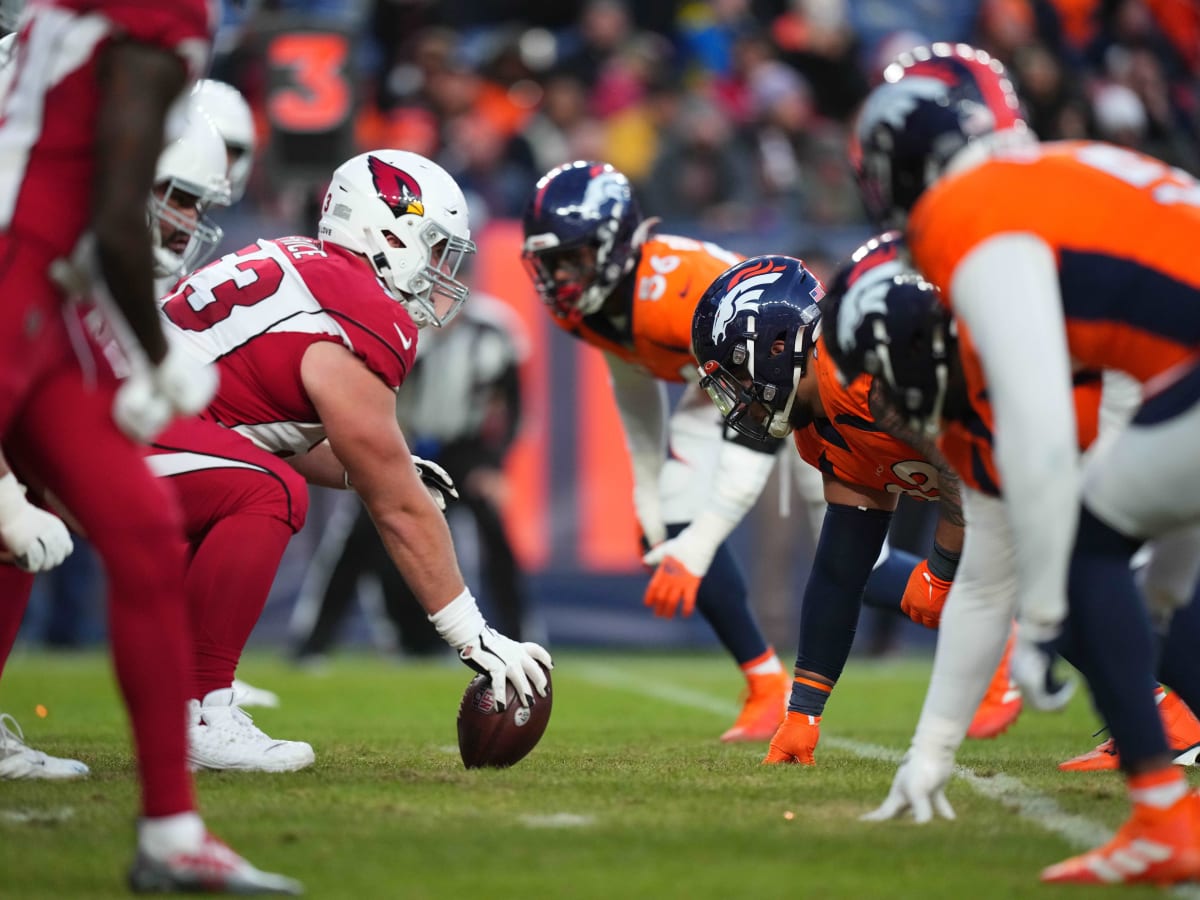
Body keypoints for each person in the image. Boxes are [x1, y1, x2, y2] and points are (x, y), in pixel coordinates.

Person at [826, 41, 1200, 884]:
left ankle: (1162, 819)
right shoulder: (1049, 190)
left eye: (883, 377)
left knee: (1088, 547)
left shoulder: (972, 215)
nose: (884, 405)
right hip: (1181, 375)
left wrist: (1042, 622)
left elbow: (1034, 433)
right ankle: (1162, 815)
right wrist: (929, 755)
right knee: (1112, 548)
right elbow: (988, 570)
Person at [0, 0, 298, 892]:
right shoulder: (159, 10)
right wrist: (158, 356)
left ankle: (171, 833)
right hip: (20, 265)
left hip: (48, 278)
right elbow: (117, 200)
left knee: (138, 530)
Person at [139, 148, 551, 772]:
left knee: (257, 480)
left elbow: (264, 427)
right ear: (389, 230)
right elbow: (396, 505)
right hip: (126, 426)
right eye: (435, 248)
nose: (441, 271)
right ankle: (201, 708)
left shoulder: (299, 262)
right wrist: (476, 637)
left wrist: (392, 470)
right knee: (268, 493)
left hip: (121, 412)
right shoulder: (360, 308)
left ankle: (182, 698)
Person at [687, 249, 1033, 768]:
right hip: (1020, 478)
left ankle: (1172, 713)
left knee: (1074, 580)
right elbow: (842, 570)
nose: (737, 399)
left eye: (736, 373)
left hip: (1064, 435)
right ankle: (1161, 713)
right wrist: (803, 713)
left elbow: (969, 466)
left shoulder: (864, 377)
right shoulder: (818, 428)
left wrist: (939, 571)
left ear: (778, 346)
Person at [521, 160, 791, 742]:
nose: (560, 277)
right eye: (550, 263)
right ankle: (766, 683)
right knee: (673, 515)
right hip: (729, 388)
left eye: (573, 258)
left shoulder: (675, 293)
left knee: (859, 559)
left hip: (805, 387)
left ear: (615, 242)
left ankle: (995, 654)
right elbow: (634, 387)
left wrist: (698, 544)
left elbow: (769, 413)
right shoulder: (593, 306)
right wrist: (647, 498)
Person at [291, 292, 535, 661]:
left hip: (466, 452)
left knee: (496, 542)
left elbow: (513, 404)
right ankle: (316, 642)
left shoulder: (494, 327)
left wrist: (494, 464)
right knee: (359, 538)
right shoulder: (400, 323)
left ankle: (519, 636)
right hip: (407, 446)